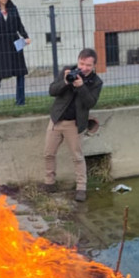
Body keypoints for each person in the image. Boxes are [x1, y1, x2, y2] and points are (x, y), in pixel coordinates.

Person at [45, 48, 102, 202]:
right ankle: (49, 183)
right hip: (57, 119)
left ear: (94, 65)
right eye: (81, 63)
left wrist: (81, 86)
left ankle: (81, 188)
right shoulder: (67, 71)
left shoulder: (96, 82)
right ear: (78, 61)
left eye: (88, 65)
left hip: (75, 124)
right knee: (49, 154)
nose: (84, 68)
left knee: (77, 157)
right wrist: (65, 82)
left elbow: (90, 102)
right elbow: (52, 90)